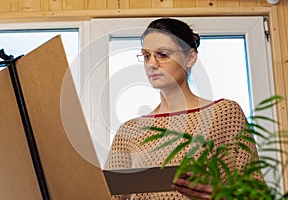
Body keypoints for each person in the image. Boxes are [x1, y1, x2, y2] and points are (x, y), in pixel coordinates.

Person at [104, 17, 262, 199]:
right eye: (147, 56)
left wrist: (220, 195)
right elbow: (106, 195)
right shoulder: (128, 132)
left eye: (163, 54)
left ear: (190, 58)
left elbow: (255, 192)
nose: (152, 64)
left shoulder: (224, 114)